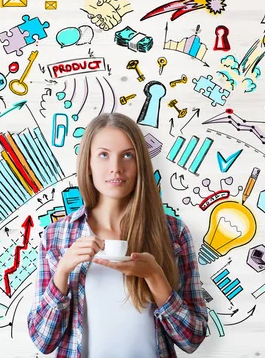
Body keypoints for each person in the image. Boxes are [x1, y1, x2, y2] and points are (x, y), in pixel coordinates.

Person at [27, 113, 208, 358]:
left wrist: (155, 277)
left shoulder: (173, 232)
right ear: (88, 164)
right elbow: (42, 342)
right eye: (104, 155)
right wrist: (62, 271)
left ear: (140, 164)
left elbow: (192, 339)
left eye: (128, 155)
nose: (116, 168)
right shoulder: (56, 236)